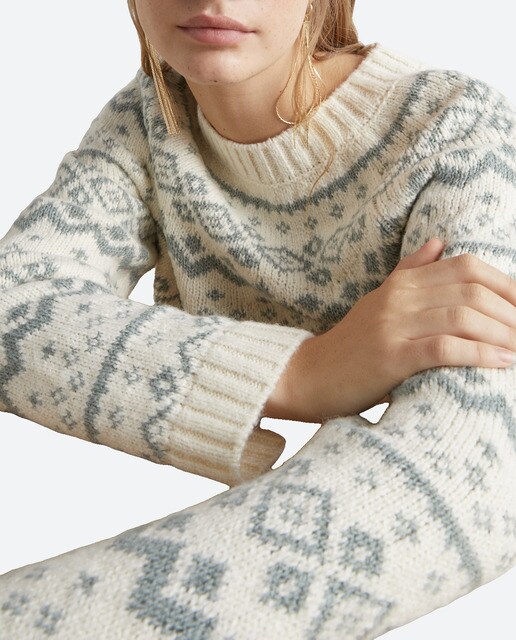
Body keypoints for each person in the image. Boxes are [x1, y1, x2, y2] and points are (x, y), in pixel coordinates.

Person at [0, 0, 514, 637]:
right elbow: (11, 306)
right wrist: (300, 372)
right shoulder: (149, 119)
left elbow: (477, 472)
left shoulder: (457, 130)